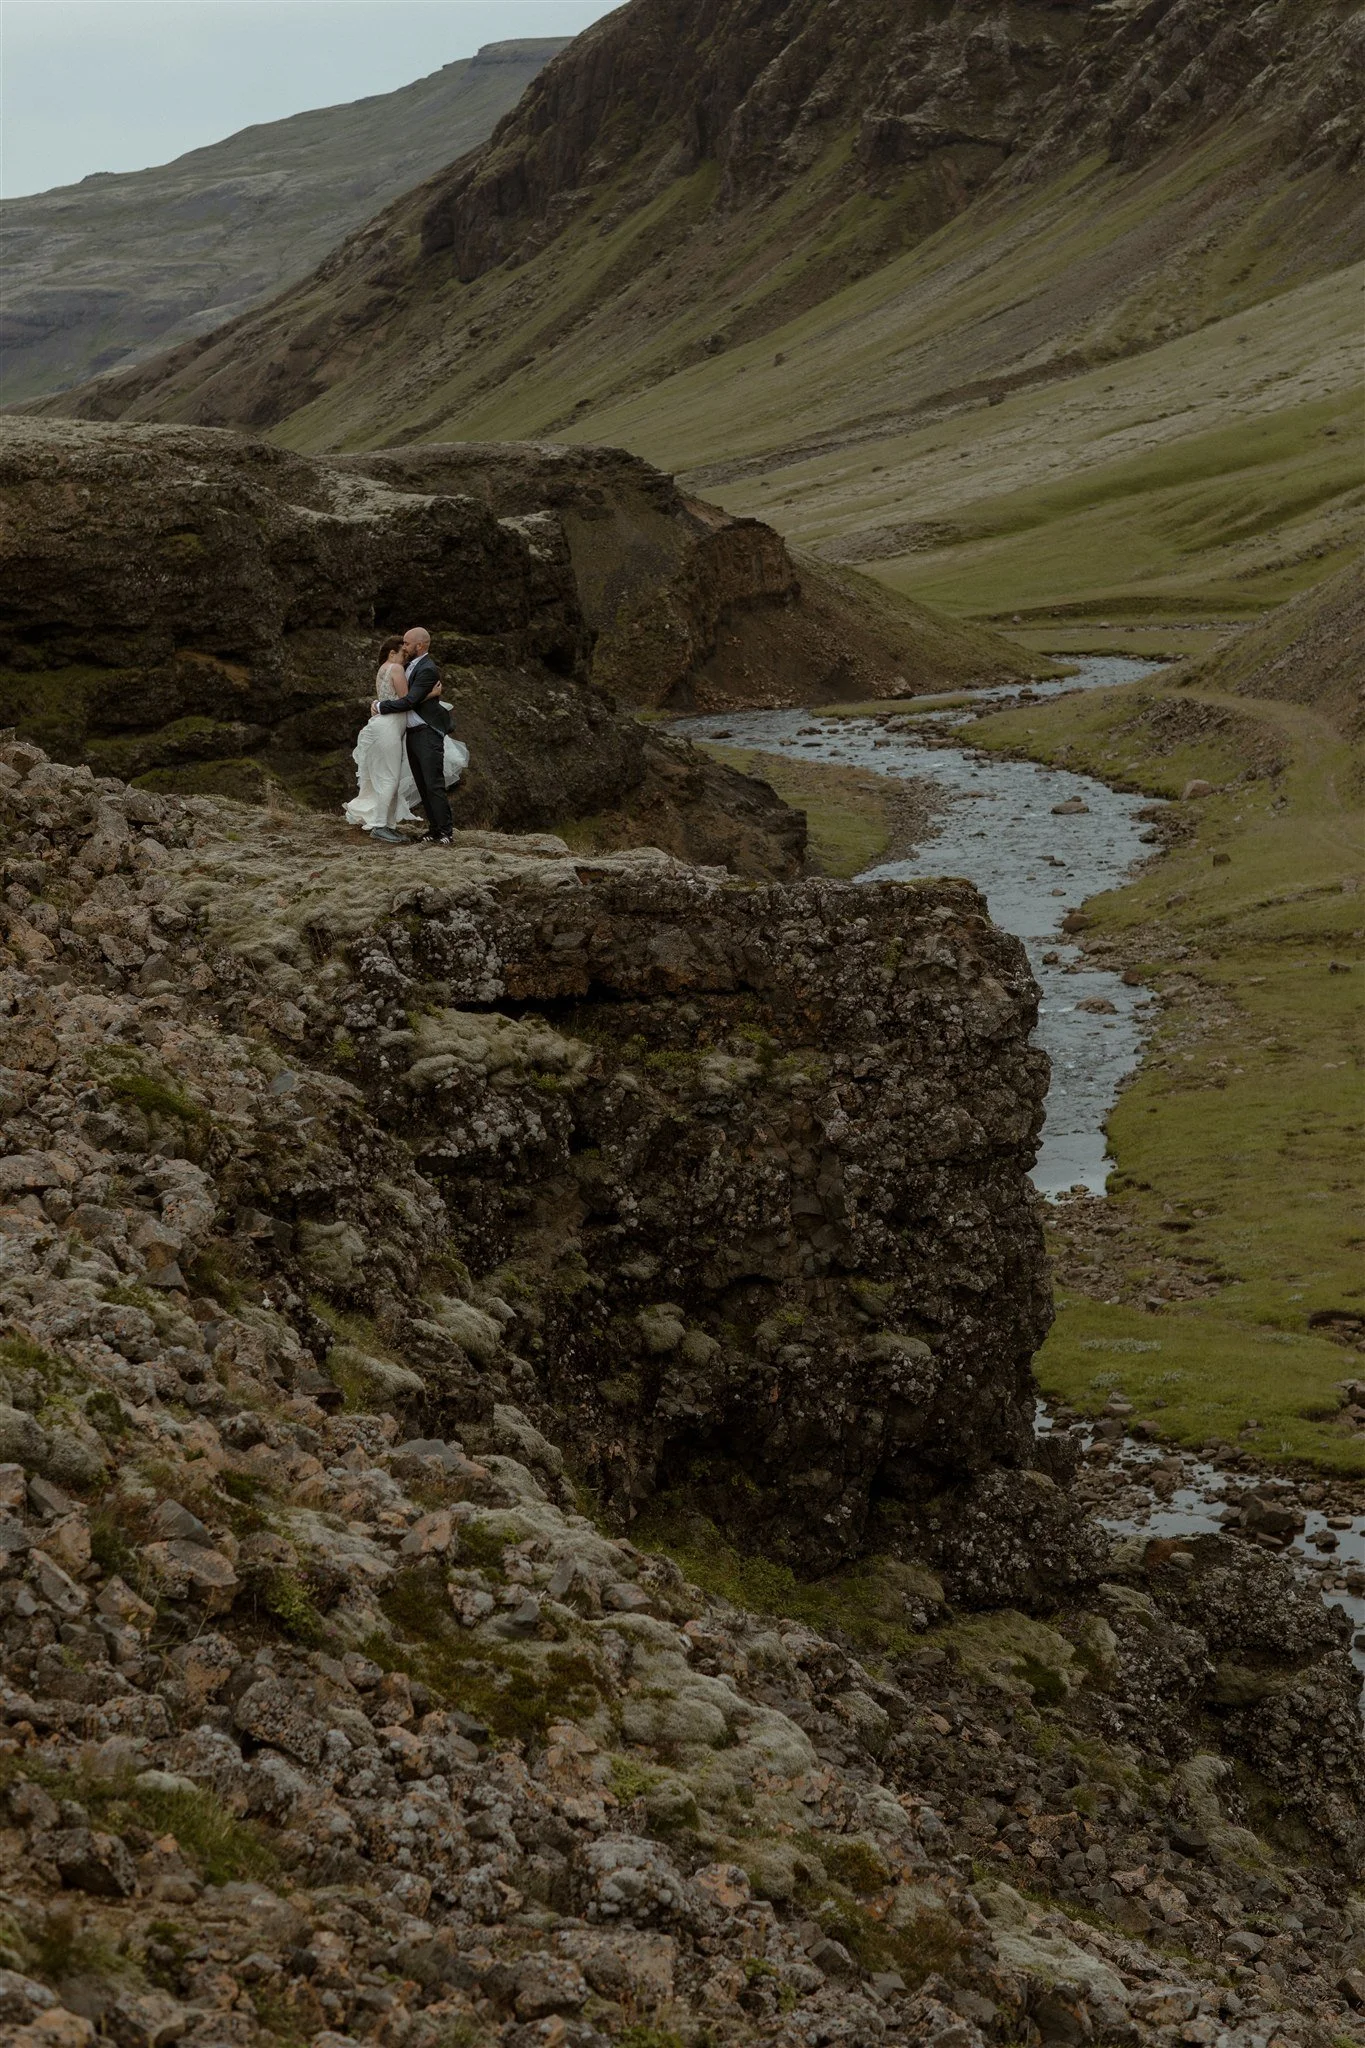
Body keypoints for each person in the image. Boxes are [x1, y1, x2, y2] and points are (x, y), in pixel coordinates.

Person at [343, 628, 467, 844]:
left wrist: (380, 705)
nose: (406, 648)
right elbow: (408, 699)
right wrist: (430, 694)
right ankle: (419, 828)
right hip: (399, 730)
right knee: (410, 780)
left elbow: (409, 700)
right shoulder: (402, 667)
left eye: (408, 644)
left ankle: (443, 831)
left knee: (427, 782)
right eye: (403, 646)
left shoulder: (424, 668)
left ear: (420, 645)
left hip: (420, 731)